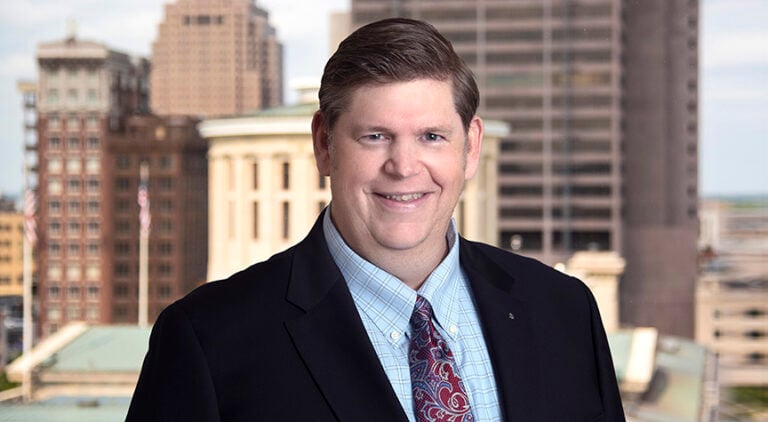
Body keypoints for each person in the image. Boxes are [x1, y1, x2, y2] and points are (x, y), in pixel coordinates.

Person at [127, 18, 625, 421]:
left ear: (471, 147)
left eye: (432, 137)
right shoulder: (210, 339)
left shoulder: (563, 311)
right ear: (324, 145)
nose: (404, 167)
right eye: (375, 137)